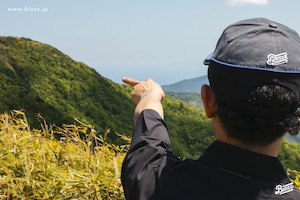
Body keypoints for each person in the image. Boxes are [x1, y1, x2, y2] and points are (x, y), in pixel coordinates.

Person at [121, 18, 300, 200]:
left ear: (208, 101)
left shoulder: (155, 184)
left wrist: (150, 96)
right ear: (295, 116)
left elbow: (148, 144)